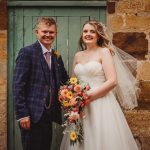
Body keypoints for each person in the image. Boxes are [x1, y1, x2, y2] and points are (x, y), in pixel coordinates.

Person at [60, 20, 139, 150]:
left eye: (92, 31)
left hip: (101, 103)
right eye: (85, 31)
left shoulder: (104, 52)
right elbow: (73, 82)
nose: (88, 34)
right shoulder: (78, 55)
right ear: (82, 35)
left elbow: (112, 80)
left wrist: (88, 95)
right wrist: (71, 97)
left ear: (98, 35)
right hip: (81, 107)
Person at [13, 17, 69, 150]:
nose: (48, 35)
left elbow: (65, 80)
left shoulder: (56, 56)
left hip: (48, 115)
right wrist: (22, 114)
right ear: (37, 32)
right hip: (31, 115)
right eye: (45, 31)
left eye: (51, 32)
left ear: (56, 34)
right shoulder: (27, 53)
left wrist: (80, 91)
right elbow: (18, 85)